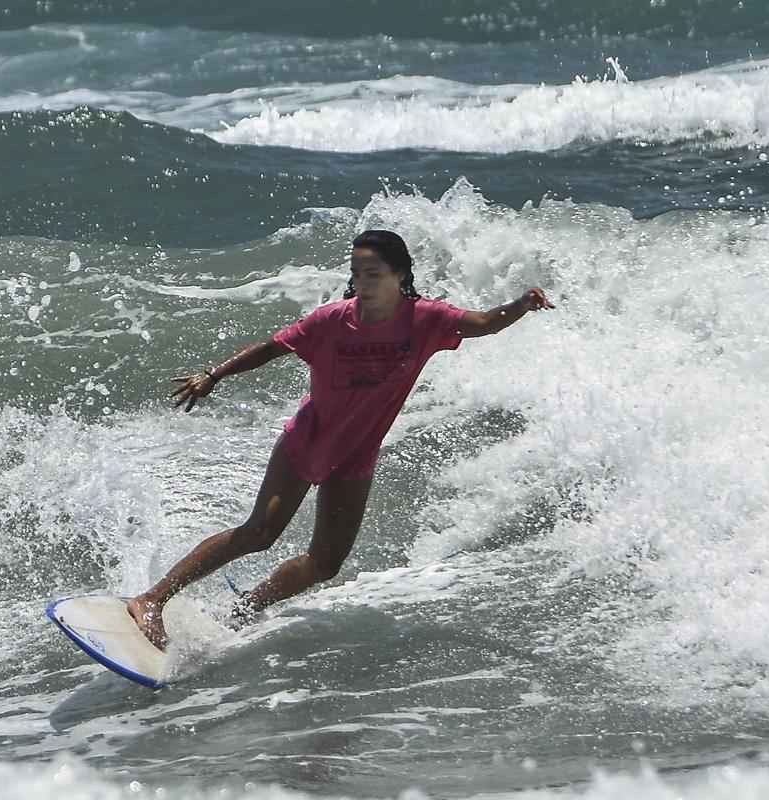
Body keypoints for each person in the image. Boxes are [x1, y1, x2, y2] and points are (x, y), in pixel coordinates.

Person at [128, 230, 554, 649]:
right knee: (260, 532)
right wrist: (214, 375)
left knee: (326, 563)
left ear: (400, 274)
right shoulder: (333, 319)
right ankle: (152, 599)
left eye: (374, 273)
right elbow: (272, 347)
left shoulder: (426, 319)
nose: (363, 282)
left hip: (356, 456)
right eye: (357, 272)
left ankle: (245, 609)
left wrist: (520, 304)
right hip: (308, 441)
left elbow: (482, 323)